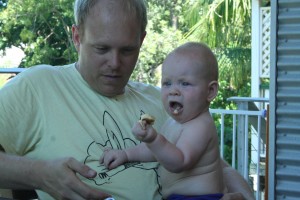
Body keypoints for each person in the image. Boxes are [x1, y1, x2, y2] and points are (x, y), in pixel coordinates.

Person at [0, 0, 254, 200]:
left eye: (127, 50)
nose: (115, 63)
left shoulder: (167, 101)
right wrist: (39, 175)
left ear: (141, 41)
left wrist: (243, 196)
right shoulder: (39, 86)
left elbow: (222, 169)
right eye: (101, 49)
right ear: (77, 37)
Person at [100, 42, 226, 200]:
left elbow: (179, 162)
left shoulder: (200, 126)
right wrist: (126, 154)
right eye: (167, 83)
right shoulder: (174, 122)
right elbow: (158, 152)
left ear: (210, 91)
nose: (173, 91)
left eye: (185, 83)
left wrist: (153, 139)